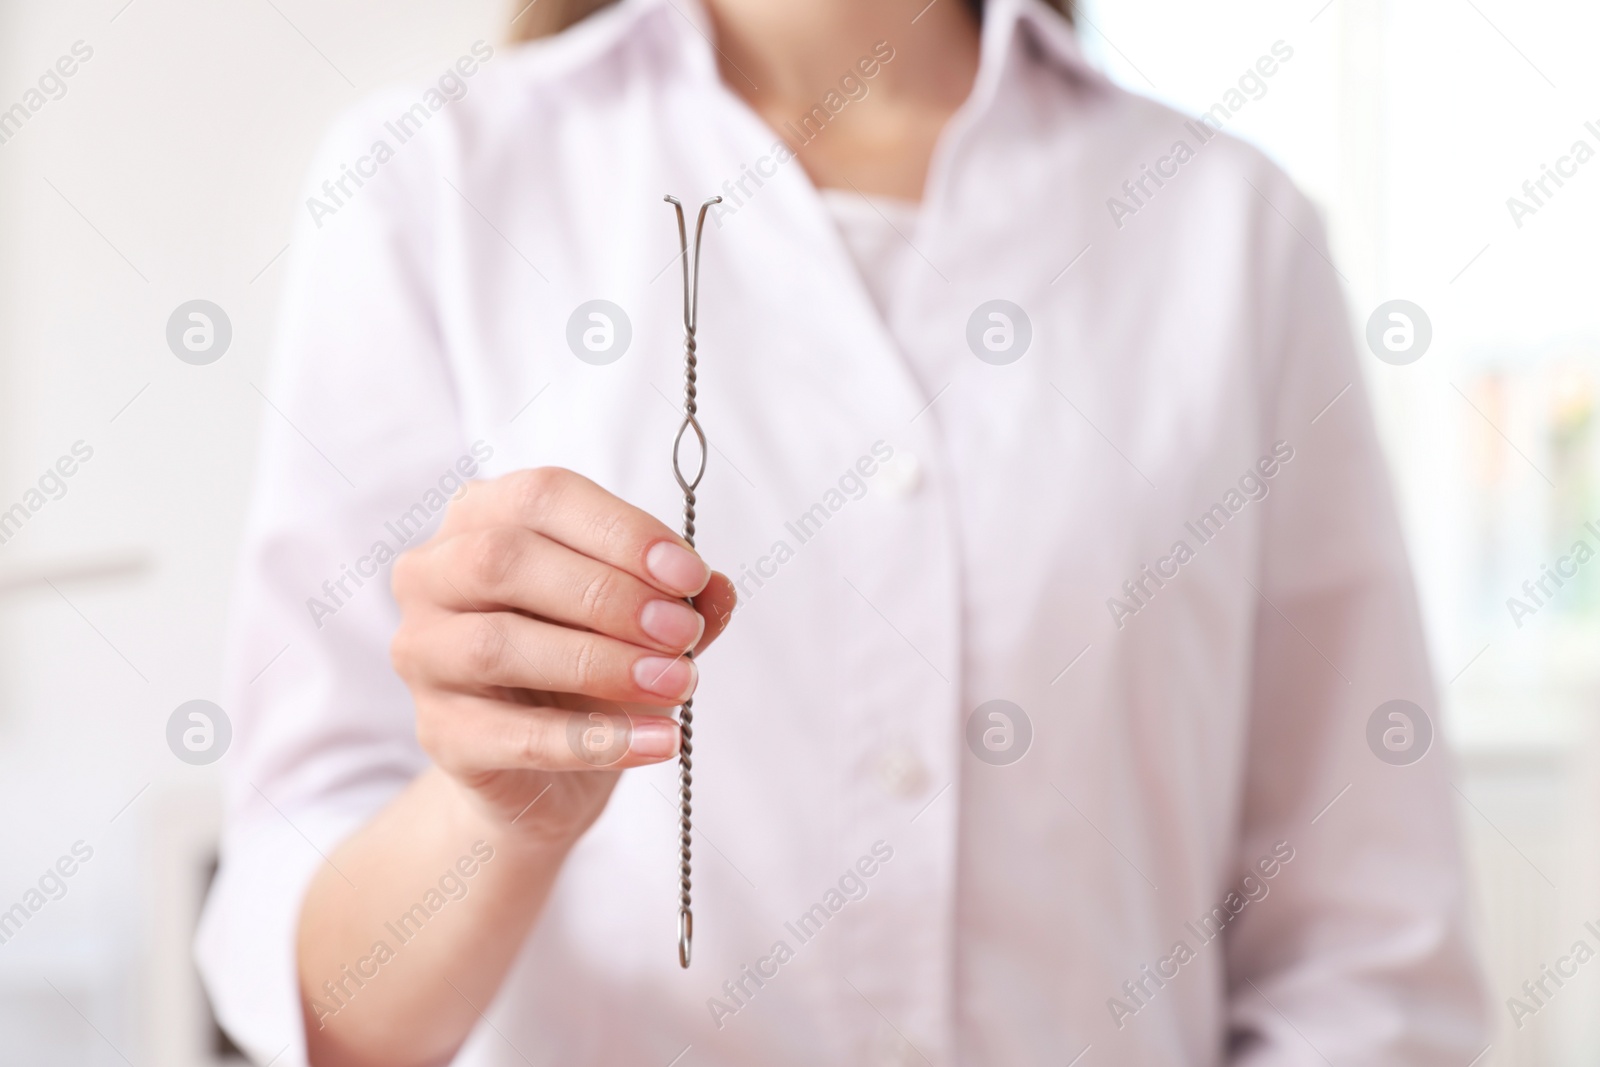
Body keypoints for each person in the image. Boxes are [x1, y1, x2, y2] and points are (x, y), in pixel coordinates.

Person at [196, 0, 1490, 1063]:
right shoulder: (432, 185)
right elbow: (316, 996)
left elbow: (1367, 952)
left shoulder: (1231, 230)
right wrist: (494, 819)